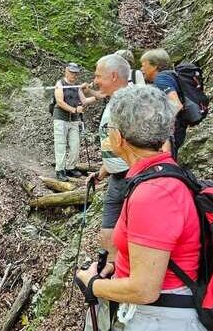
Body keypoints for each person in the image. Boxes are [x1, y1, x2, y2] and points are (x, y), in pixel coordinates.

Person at [76, 86, 210, 331]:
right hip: (166, 320)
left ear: (119, 139)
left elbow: (146, 289)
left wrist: (93, 285)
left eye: (109, 128)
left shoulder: (153, 194)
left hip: (163, 327)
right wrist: (114, 266)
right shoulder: (157, 175)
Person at [87, 54, 132, 266]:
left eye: (98, 76)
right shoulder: (114, 100)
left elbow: (150, 143)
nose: (95, 81)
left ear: (113, 76)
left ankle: (120, 276)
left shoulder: (131, 102)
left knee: (126, 234)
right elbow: (114, 144)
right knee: (108, 233)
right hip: (116, 177)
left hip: (133, 177)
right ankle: (112, 271)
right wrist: (101, 172)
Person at [52, 62, 96, 182]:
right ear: (66, 71)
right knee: (60, 145)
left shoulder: (77, 87)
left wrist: (98, 96)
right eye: (71, 72)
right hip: (60, 118)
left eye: (75, 73)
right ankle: (60, 170)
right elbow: (60, 102)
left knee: (75, 145)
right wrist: (74, 109)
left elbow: (84, 100)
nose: (74, 75)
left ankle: (70, 167)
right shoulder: (60, 84)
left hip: (73, 120)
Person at [140, 48, 186, 159]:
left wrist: (161, 127)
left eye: (143, 65)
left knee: (168, 161)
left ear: (155, 65)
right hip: (178, 129)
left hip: (171, 132)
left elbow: (177, 105)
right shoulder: (169, 76)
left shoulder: (161, 79)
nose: (141, 69)